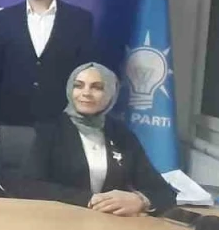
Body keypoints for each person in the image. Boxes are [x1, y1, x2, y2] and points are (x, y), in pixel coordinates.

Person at [13, 62, 176, 215]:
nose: (86, 93)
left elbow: (164, 192)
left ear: (110, 93)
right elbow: (29, 186)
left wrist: (141, 201)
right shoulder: (50, 129)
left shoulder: (121, 133)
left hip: (111, 225)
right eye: (78, 86)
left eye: (97, 87)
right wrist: (90, 200)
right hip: (58, 220)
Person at [0, 0, 96, 126]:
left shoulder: (80, 20)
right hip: (12, 122)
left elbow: (85, 71)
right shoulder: (4, 19)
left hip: (63, 122)